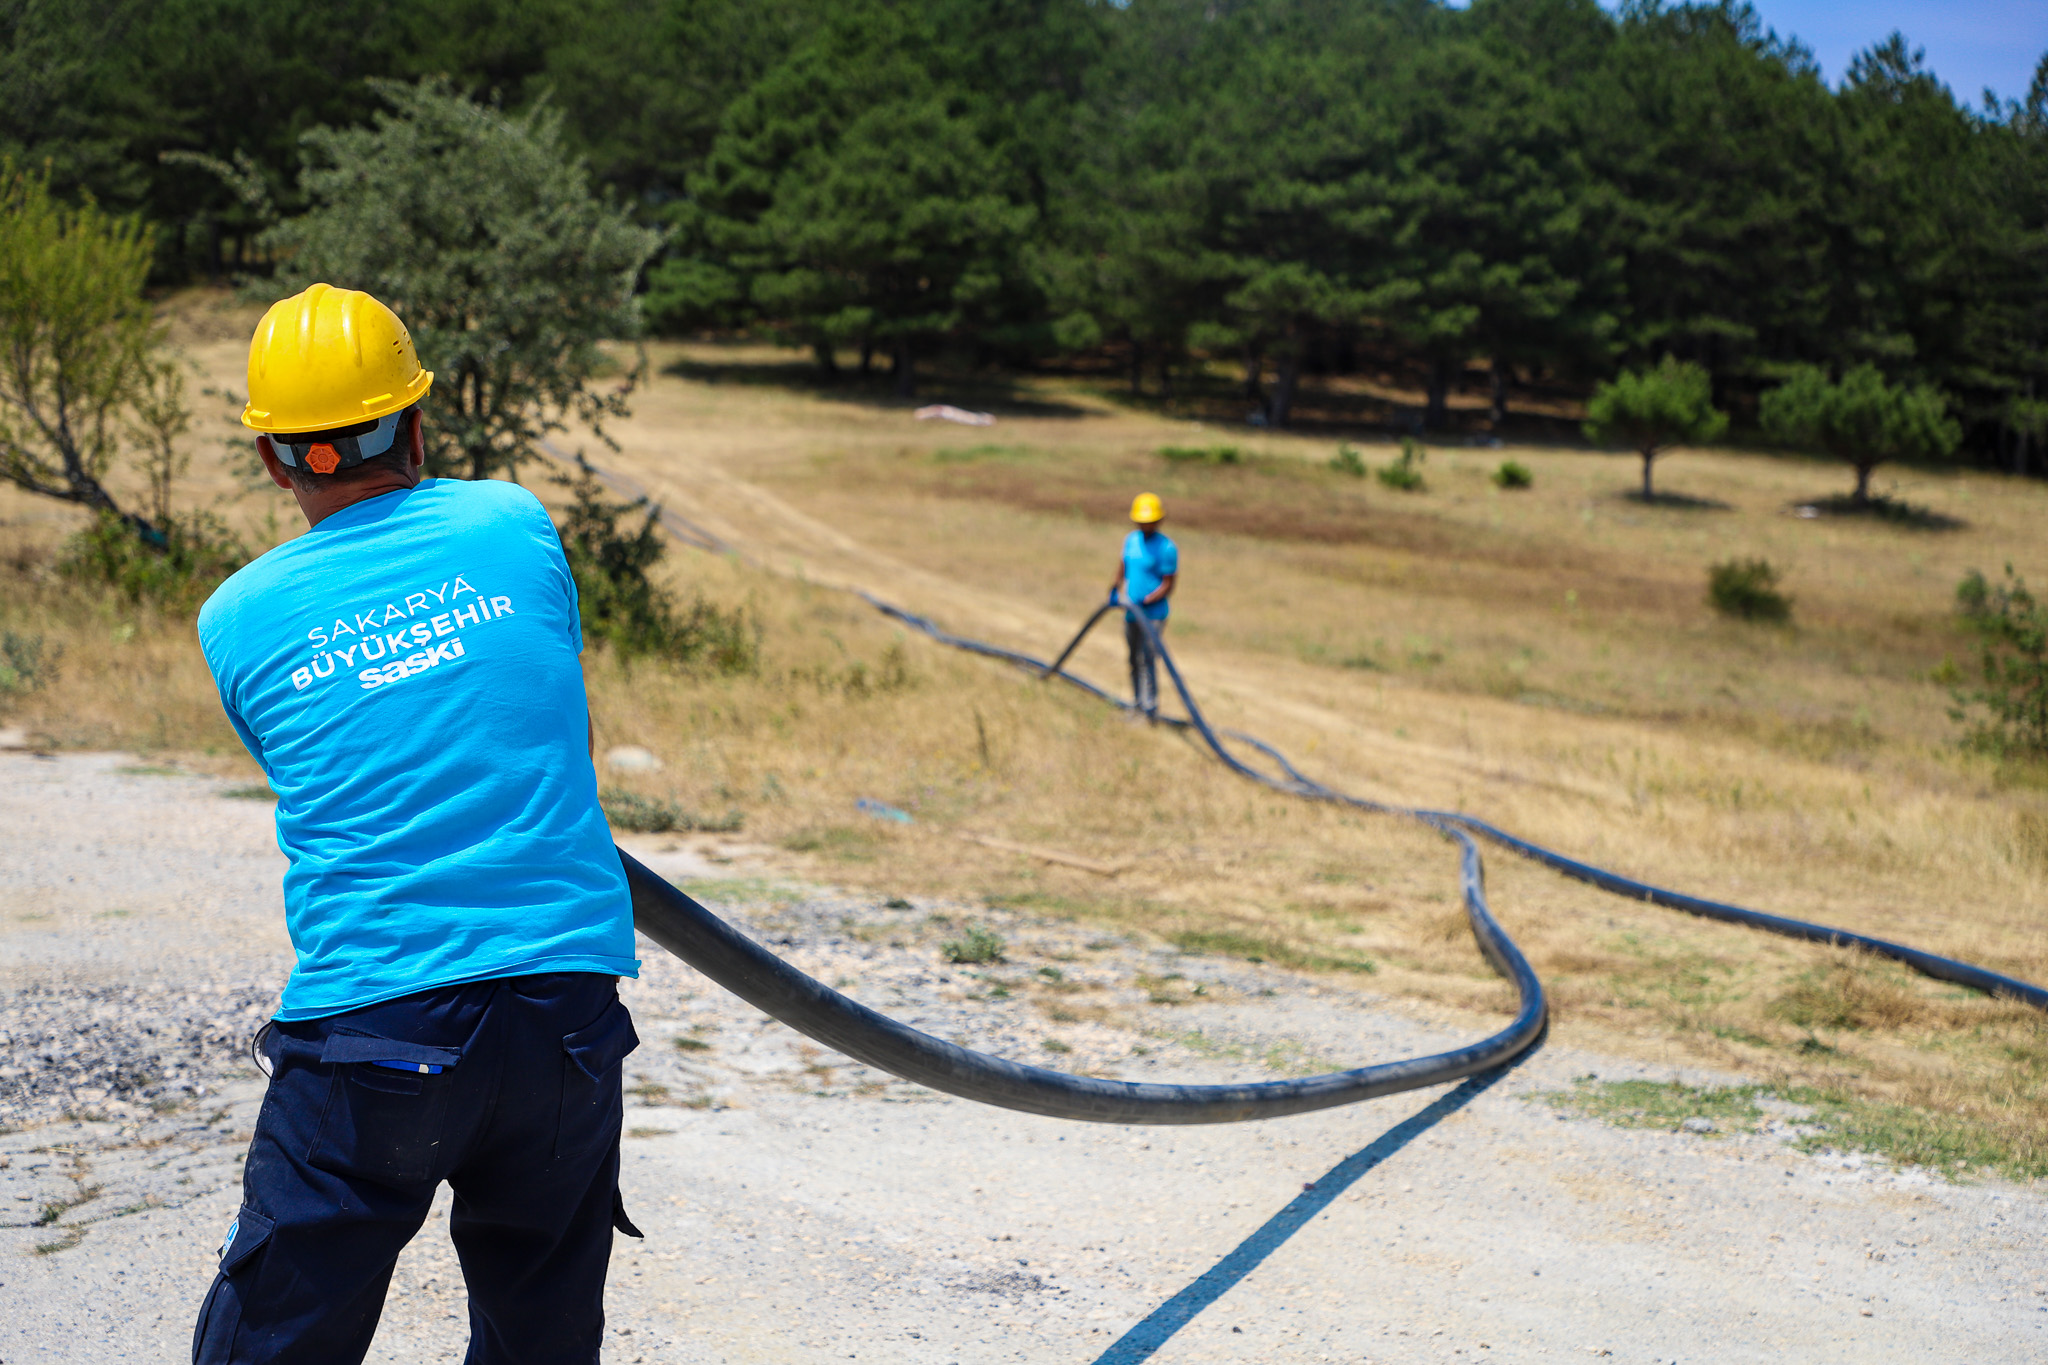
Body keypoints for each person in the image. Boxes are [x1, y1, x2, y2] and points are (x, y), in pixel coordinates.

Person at [191, 284, 642, 1365]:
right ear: (418, 422)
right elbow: (556, 734)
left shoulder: (238, 618)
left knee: (278, 1334)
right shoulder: (511, 521)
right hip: (563, 1015)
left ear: (274, 461)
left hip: (378, 1029)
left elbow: (337, 773)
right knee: (540, 1328)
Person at [1109, 492, 1178, 718]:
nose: (1145, 525)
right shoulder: (1131, 540)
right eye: (1142, 521)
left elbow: (1169, 583)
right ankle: (1136, 703)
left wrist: (1148, 600)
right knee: (1133, 658)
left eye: (1150, 522)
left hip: (1153, 616)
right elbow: (1123, 565)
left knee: (1147, 658)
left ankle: (1150, 708)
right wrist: (1115, 586)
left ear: (1159, 521)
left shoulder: (1167, 548)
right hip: (1131, 613)